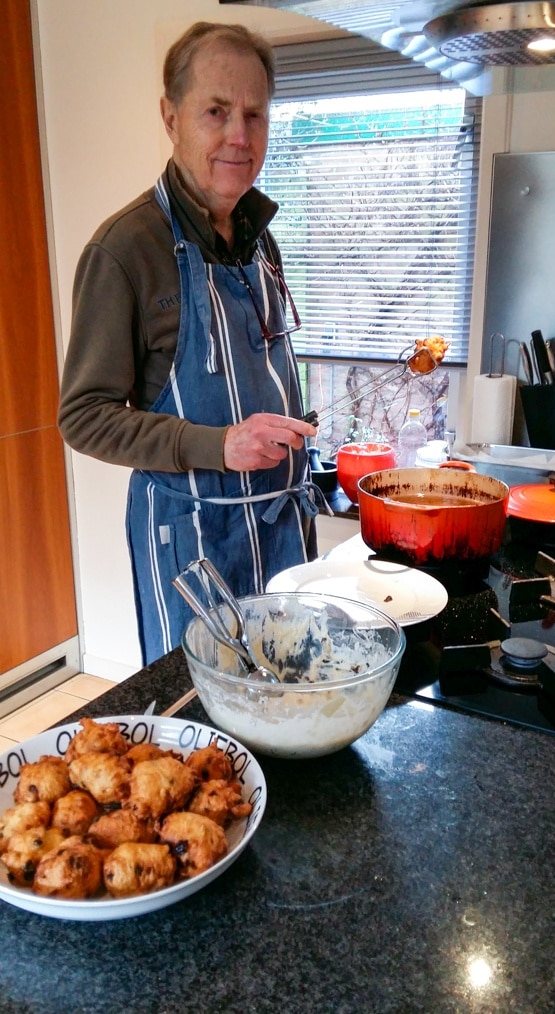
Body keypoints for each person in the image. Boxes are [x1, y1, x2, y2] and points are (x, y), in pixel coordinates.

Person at [58, 21, 321, 666]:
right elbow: (83, 417)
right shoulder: (125, 249)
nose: (240, 135)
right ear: (171, 117)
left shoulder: (260, 235)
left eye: (255, 114)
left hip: (282, 531)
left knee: (288, 703)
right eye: (216, 111)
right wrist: (216, 446)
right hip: (193, 548)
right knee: (200, 737)